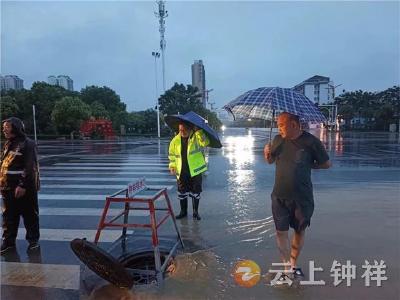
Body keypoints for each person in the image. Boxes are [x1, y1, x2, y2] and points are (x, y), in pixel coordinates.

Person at [264, 112, 331, 281]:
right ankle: (287, 266)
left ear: (293, 125)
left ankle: (293, 263)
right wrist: (267, 154)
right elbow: (271, 161)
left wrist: (308, 165)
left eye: (281, 125)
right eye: (277, 125)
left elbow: (326, 164)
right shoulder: (278, 139)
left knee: (299, 231)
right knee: (281, 232)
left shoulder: (311, 142)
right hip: (279, 195)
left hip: (302, 197)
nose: (279, 128)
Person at [1, 117, 40, 254]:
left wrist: (22, 185)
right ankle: (8, 241)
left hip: (23, 187)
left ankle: (33, 241)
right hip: (7, 186)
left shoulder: (28, 143)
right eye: (4, 127)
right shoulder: (8, 143)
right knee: (8, 215)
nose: (4, 129)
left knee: (29, 214)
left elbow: (30, 166)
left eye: (7, 126)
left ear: (15, 128)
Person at [168, 122, 209, 220]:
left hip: (195, 170)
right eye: (180, 130)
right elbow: (172, 155)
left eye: (184, 130)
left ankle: (195, 212)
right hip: (181, 170)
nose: (182, 132)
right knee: (182, 192)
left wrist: (199, 131)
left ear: (189, 129)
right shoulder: (175, 140)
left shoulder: (195, 137)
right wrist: (172, 166)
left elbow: (205, 142)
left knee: (196, 192)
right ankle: (183, 212)